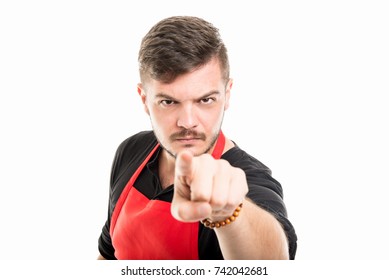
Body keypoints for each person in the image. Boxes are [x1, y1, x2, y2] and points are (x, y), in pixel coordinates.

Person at [97, 15, 297, 260]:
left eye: (205, 100)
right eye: (168, 102)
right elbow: (108, 255)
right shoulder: (131, 150)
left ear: (227, 94)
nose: (188, 122)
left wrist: (228, 214)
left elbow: (273, 263)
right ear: (144, 99)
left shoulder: (250, 178)